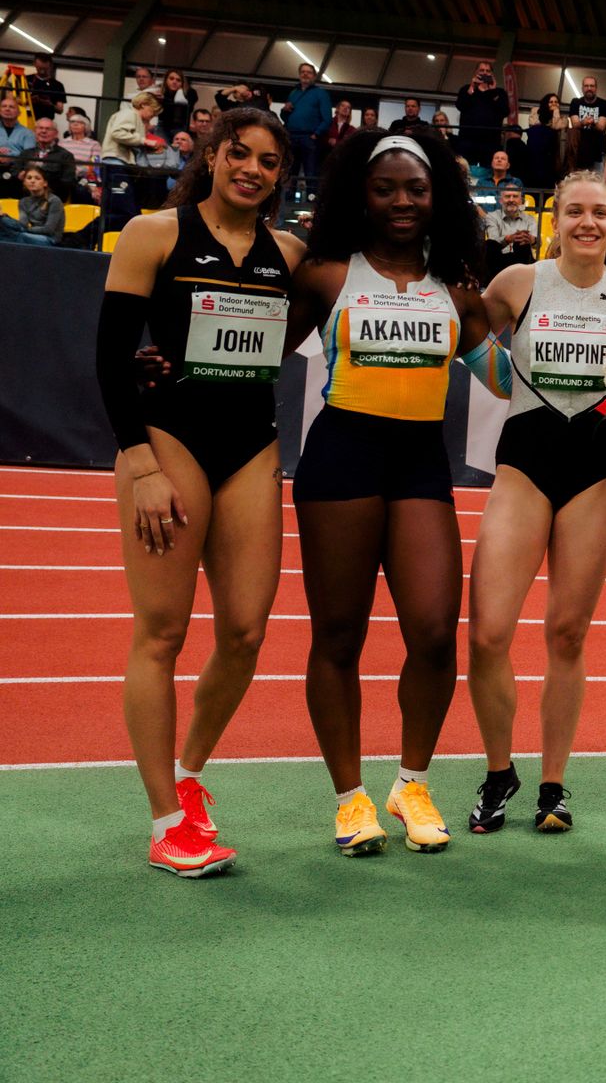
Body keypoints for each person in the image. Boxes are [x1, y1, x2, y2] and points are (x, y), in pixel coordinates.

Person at [92, 108, 303, 876]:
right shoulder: (153, 234)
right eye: (239, 154)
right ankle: (164, 822)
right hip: (169, 442)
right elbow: (113, 359)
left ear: (282, 174)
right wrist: (141, 464)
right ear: (211, 156)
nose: (252, 169)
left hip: (251, 445)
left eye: (269, 161)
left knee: (246, 632)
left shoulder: (289, 252)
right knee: (163, 634)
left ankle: (190, 773)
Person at [290, 129, 508, 857]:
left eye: (415, 188)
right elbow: (257, 348)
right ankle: (350, 799)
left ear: (438, 195)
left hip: (420, 465)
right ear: (359, 194)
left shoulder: (459, 290)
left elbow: (510, 381)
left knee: (434, 631)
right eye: (385, 188)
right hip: (340, 460)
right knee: (339, 636)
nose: (402, 201)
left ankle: (411, 782)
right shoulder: (324, 276)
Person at [467, 171, 606, 834]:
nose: (586, 222)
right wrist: (496, 375)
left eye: (599, 213)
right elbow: (468, 335)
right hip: (524, 464)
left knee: (567, 635)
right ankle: (499, 772)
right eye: (574, 211)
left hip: (595, 472)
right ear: (556, 220)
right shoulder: (518, 283)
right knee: (489, 631)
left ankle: (552, 785)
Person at [101, 92, 165, 233]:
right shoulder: (129, 114)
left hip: (119, 166)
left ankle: (82, 238)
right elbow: (117, 133)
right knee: (127, 212)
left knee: (122, 212)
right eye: (152, 112)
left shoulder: (134, 118)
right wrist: (144, 140)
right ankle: (80, 238)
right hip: (115, 165)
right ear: (143, 105)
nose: (152, 116)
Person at [280, 62, 332, 185]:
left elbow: (327, 119)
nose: (305, 74)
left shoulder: (321, 93)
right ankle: (289, 199)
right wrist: (284, 111)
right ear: (299, 75)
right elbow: (285, 118)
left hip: (310, 138)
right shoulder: (293, 93)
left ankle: (311, 199)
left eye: (308, 72)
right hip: (292, 136)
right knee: (291, 171)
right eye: (303, 72)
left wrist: (316, 134)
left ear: (314, 76)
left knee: (311, 171)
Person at [454, 60, 510, 167]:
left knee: (489, 173)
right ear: (475, 72)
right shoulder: (466, 89)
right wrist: (472, 89)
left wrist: (493, 92)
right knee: (464, 171)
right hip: (467, 140)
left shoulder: (500, 92)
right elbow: (460, 106)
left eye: (488, 71)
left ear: (492, 74)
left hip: (491, 142)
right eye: (481, 70)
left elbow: (505, 111)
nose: (484, 73)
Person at [481, 178, 539, 279]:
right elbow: (493, 242)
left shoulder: (530, 219)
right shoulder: (492, 216)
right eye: (507, 196)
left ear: (521, 201)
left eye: (515, 196)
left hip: (521, 262)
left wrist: (532, 240)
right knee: (490, 245)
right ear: (500, 200)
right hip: (499, 261)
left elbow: (537, 245)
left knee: (522, 244)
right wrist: (508, 239)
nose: (511, 200)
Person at [0, 165, 65, 245]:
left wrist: (25, 229)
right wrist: (4, 217)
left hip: (49, 239)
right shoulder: (23, 202)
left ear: (45, 183)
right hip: (28, 234)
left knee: (16, 236)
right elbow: (22, 224)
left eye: (37, 178)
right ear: (24, 182)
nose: (32, 181)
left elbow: (48, 229)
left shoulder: (54, 201)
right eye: (29, 178)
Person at [19, 115, 78, 201]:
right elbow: (15, 172)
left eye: (48, 129)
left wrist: (42, 183)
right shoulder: (25, 153)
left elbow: (68, 182)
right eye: (40, 128)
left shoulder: (66, 156)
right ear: (35, 132)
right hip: (26, 199)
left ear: (56, 133)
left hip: (52, 200)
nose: (43, 131)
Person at [566, 75, 606, 176]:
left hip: (598, 151)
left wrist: (592, 122)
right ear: (582, 88)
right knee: (578, 183)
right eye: (586, 86)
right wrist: (584, 122)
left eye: (592, 86)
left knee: (596, 184)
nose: (589, 88)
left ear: (596, 88)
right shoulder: (576, 102)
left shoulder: (604, 104)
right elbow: (574, 124)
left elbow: (601, 126)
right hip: (578, 151)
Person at [523, 94, 562, 188]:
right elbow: (533, 123)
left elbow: (556, 127)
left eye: (556, 102)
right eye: (551, 102)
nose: (553, 104)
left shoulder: (561, 117)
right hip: (536, 145)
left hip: (549, 150)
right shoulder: (536, 110)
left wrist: (556, 112)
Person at [0, 94, 31, 195]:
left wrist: (12, 158)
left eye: (11, 107)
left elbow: (30, 156)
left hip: (16, 169)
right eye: (4, 106)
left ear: (19, 113)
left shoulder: (28, 133)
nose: (7, 109)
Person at [26, 52, 66, 121]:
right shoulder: (25, 80)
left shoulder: (58, 85)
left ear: (50, 66)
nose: (42, 71)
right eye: (40, 68)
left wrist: (50, 104)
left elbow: (60, 109)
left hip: (46, 121)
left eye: (45, 69)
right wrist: (29, 100)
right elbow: (13, 100)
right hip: (26, 119)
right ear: (34, 64)